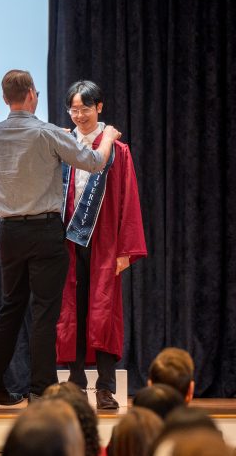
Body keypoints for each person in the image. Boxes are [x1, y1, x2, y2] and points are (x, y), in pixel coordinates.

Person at [0, 70, 121, 407]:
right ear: (31, 95)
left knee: (10, 308)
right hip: (43, 231)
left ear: (5, 99)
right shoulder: (46, 133)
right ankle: (39, 390)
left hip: (8, 232)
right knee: (44, 311)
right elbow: (92, 162)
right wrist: (110, 138)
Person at [56, 80, 146, 410]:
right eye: (73, 109)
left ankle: (105, 387)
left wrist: (126, 249)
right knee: (72, 312)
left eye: (84, 108)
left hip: (105, 242)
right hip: (68, 242)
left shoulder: (117, 152)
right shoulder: (63, 146)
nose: (79, 115)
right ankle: (76, 382)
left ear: (99, 107)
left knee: (104, 313)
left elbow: (128, 201)